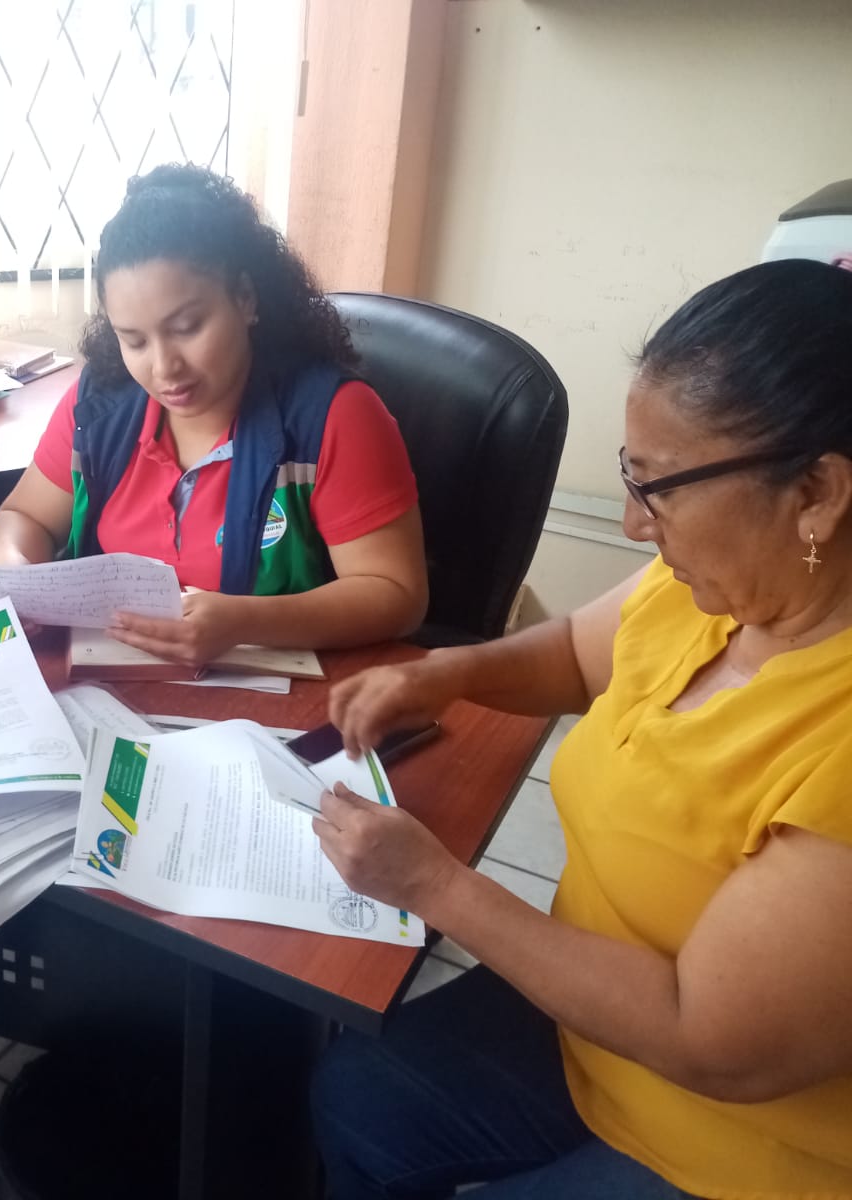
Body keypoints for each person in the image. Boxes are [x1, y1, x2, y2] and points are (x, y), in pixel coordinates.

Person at [308, 259, 852, 1198]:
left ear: (816, 493)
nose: (636, 525)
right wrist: (447, 674)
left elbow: (705, 1037)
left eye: (660, 487)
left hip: (735, 1139)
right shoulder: (715, 585)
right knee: (356, 1097)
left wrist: (435, 885)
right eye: (631, 478)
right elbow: (573, 656)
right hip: (584, 1015)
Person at [0, 164, 428, 664]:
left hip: (270, 695)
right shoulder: (101, 405)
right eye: (134, 340)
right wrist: (10, 564)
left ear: (245, 298)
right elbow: (24, 517)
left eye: (187, 327)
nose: (164, 367)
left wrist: (244, 622)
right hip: (105, 683)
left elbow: (396, 594)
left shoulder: (330, 417)